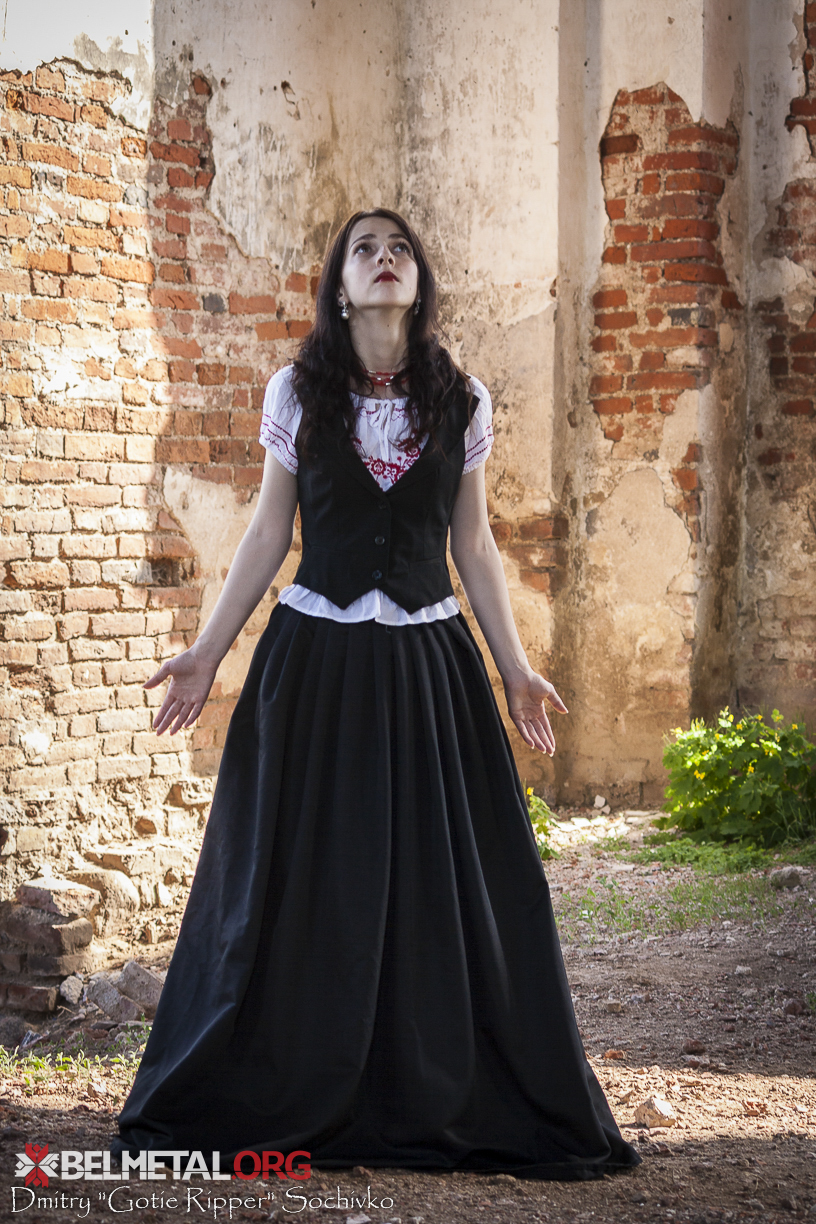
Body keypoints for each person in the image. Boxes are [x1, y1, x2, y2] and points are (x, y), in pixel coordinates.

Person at [110, 208, 641, 1181]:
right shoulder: (297, 391)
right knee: (300, 873)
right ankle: (290, 1073)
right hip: (316, 664)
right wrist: (206, 652)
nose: (385, 259)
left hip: (428, 667)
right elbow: (269, 533)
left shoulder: (461, 399)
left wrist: (516, 667)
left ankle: (427, 1082)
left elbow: (473, 542)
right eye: (366, 249)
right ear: (342, 288)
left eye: (400, 249)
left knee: (444, 878)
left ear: (418, 282)